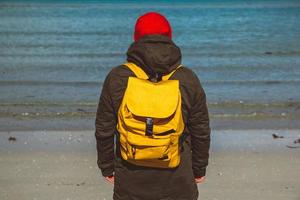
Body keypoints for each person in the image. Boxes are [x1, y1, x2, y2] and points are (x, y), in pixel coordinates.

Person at [95, 12, 211, 200]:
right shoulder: (187, 78)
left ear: (136, 38)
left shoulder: (118, 78)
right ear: (169, 37)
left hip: (130, 180)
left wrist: (106, 166)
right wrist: (199, 168)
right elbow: (201, 130)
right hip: (178, 180)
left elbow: (104, 128)